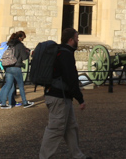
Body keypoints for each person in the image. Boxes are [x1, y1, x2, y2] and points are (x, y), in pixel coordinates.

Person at [39, 28, 88, 159]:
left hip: (62, 96)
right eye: (77, 38)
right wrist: (80, 99)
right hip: (58, 97)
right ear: (71, 40)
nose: (78, 40)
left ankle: (77, 155)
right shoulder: (65, 54)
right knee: (55, 129)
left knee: (71, 127)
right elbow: (71, 78)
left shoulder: (61, 52)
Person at [0, 31, 33, 109]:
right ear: (20, 38)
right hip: (16, 67)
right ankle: (25, 103)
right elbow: (24, 57)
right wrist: (28, 52)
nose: (22, 40)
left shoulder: (9, 44)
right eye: (22, 38)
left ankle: (3, 104)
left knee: (8, 85)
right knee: (21, 86)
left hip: (8, 67)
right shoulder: (19, 45)